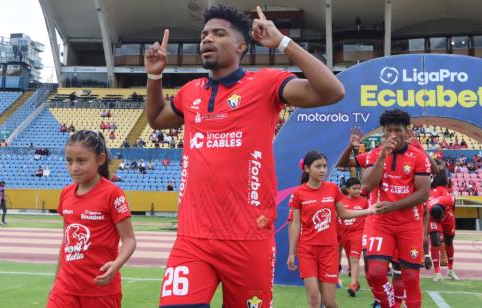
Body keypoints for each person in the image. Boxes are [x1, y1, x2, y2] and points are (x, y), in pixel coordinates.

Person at [144, 5, 345, 307]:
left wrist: (283, 43)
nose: (206, 39)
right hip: (193, 239)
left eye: (218, 33)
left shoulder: (266, 83)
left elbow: (332, 91)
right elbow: (157, 119)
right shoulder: (190, 91)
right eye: (204, 34)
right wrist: (153, 76)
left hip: (249, 239)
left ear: (240, 46)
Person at [46, 130, 136, 308]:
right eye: (69, 161)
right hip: (65, 290)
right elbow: (66, 243)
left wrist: (117, 264)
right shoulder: (65, 194)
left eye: (81, 161)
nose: (74, 168)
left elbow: (129, 239)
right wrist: (56, 281)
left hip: (101, 290)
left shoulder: (112, 194)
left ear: (100, 159)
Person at [363, 110, 431, 308]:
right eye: (389, 130)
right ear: (383, 132)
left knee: (410, 277)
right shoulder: (375, 154)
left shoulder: (418, 156)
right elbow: (367, 186)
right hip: (379, 223)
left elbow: (423, 194)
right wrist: (382, 157)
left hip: (409, 224)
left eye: (397, 130)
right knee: (374, 272)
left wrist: (393, 205)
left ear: (406, 131)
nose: (393, 135)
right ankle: (390, 304)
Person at [287, 151, 372, 308]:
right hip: (307, 250)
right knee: (314, 298)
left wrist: (369, 210)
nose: (322, 170)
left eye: (325, 166)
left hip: (329, 250)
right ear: (307, 168)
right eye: (318, 166)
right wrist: (292, 252)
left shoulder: (333, 189)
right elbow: (295, 223)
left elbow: (344, 213)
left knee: (330, 303)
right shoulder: (298, 193)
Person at [337, 177, 368, 297]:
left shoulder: (364, 202)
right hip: (344, 235)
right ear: (348, 189)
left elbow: (369, 216)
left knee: (355, 259)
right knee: (351, 263)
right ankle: (356, 281)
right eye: (354, 188)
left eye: (359, 188)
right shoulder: (341, 202)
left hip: (358, 234)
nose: (357, 191)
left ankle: (353, 286)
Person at [427, 194, 459, 282]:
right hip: (433, 220)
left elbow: (454, 200)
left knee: (449, 242)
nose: (439, 220)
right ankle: (437, 273)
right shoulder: (428, 208)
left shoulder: (449, 200)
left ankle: (450, 270)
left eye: (439, 218)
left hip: (448, 218)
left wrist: (452, 212)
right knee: (435, 241)